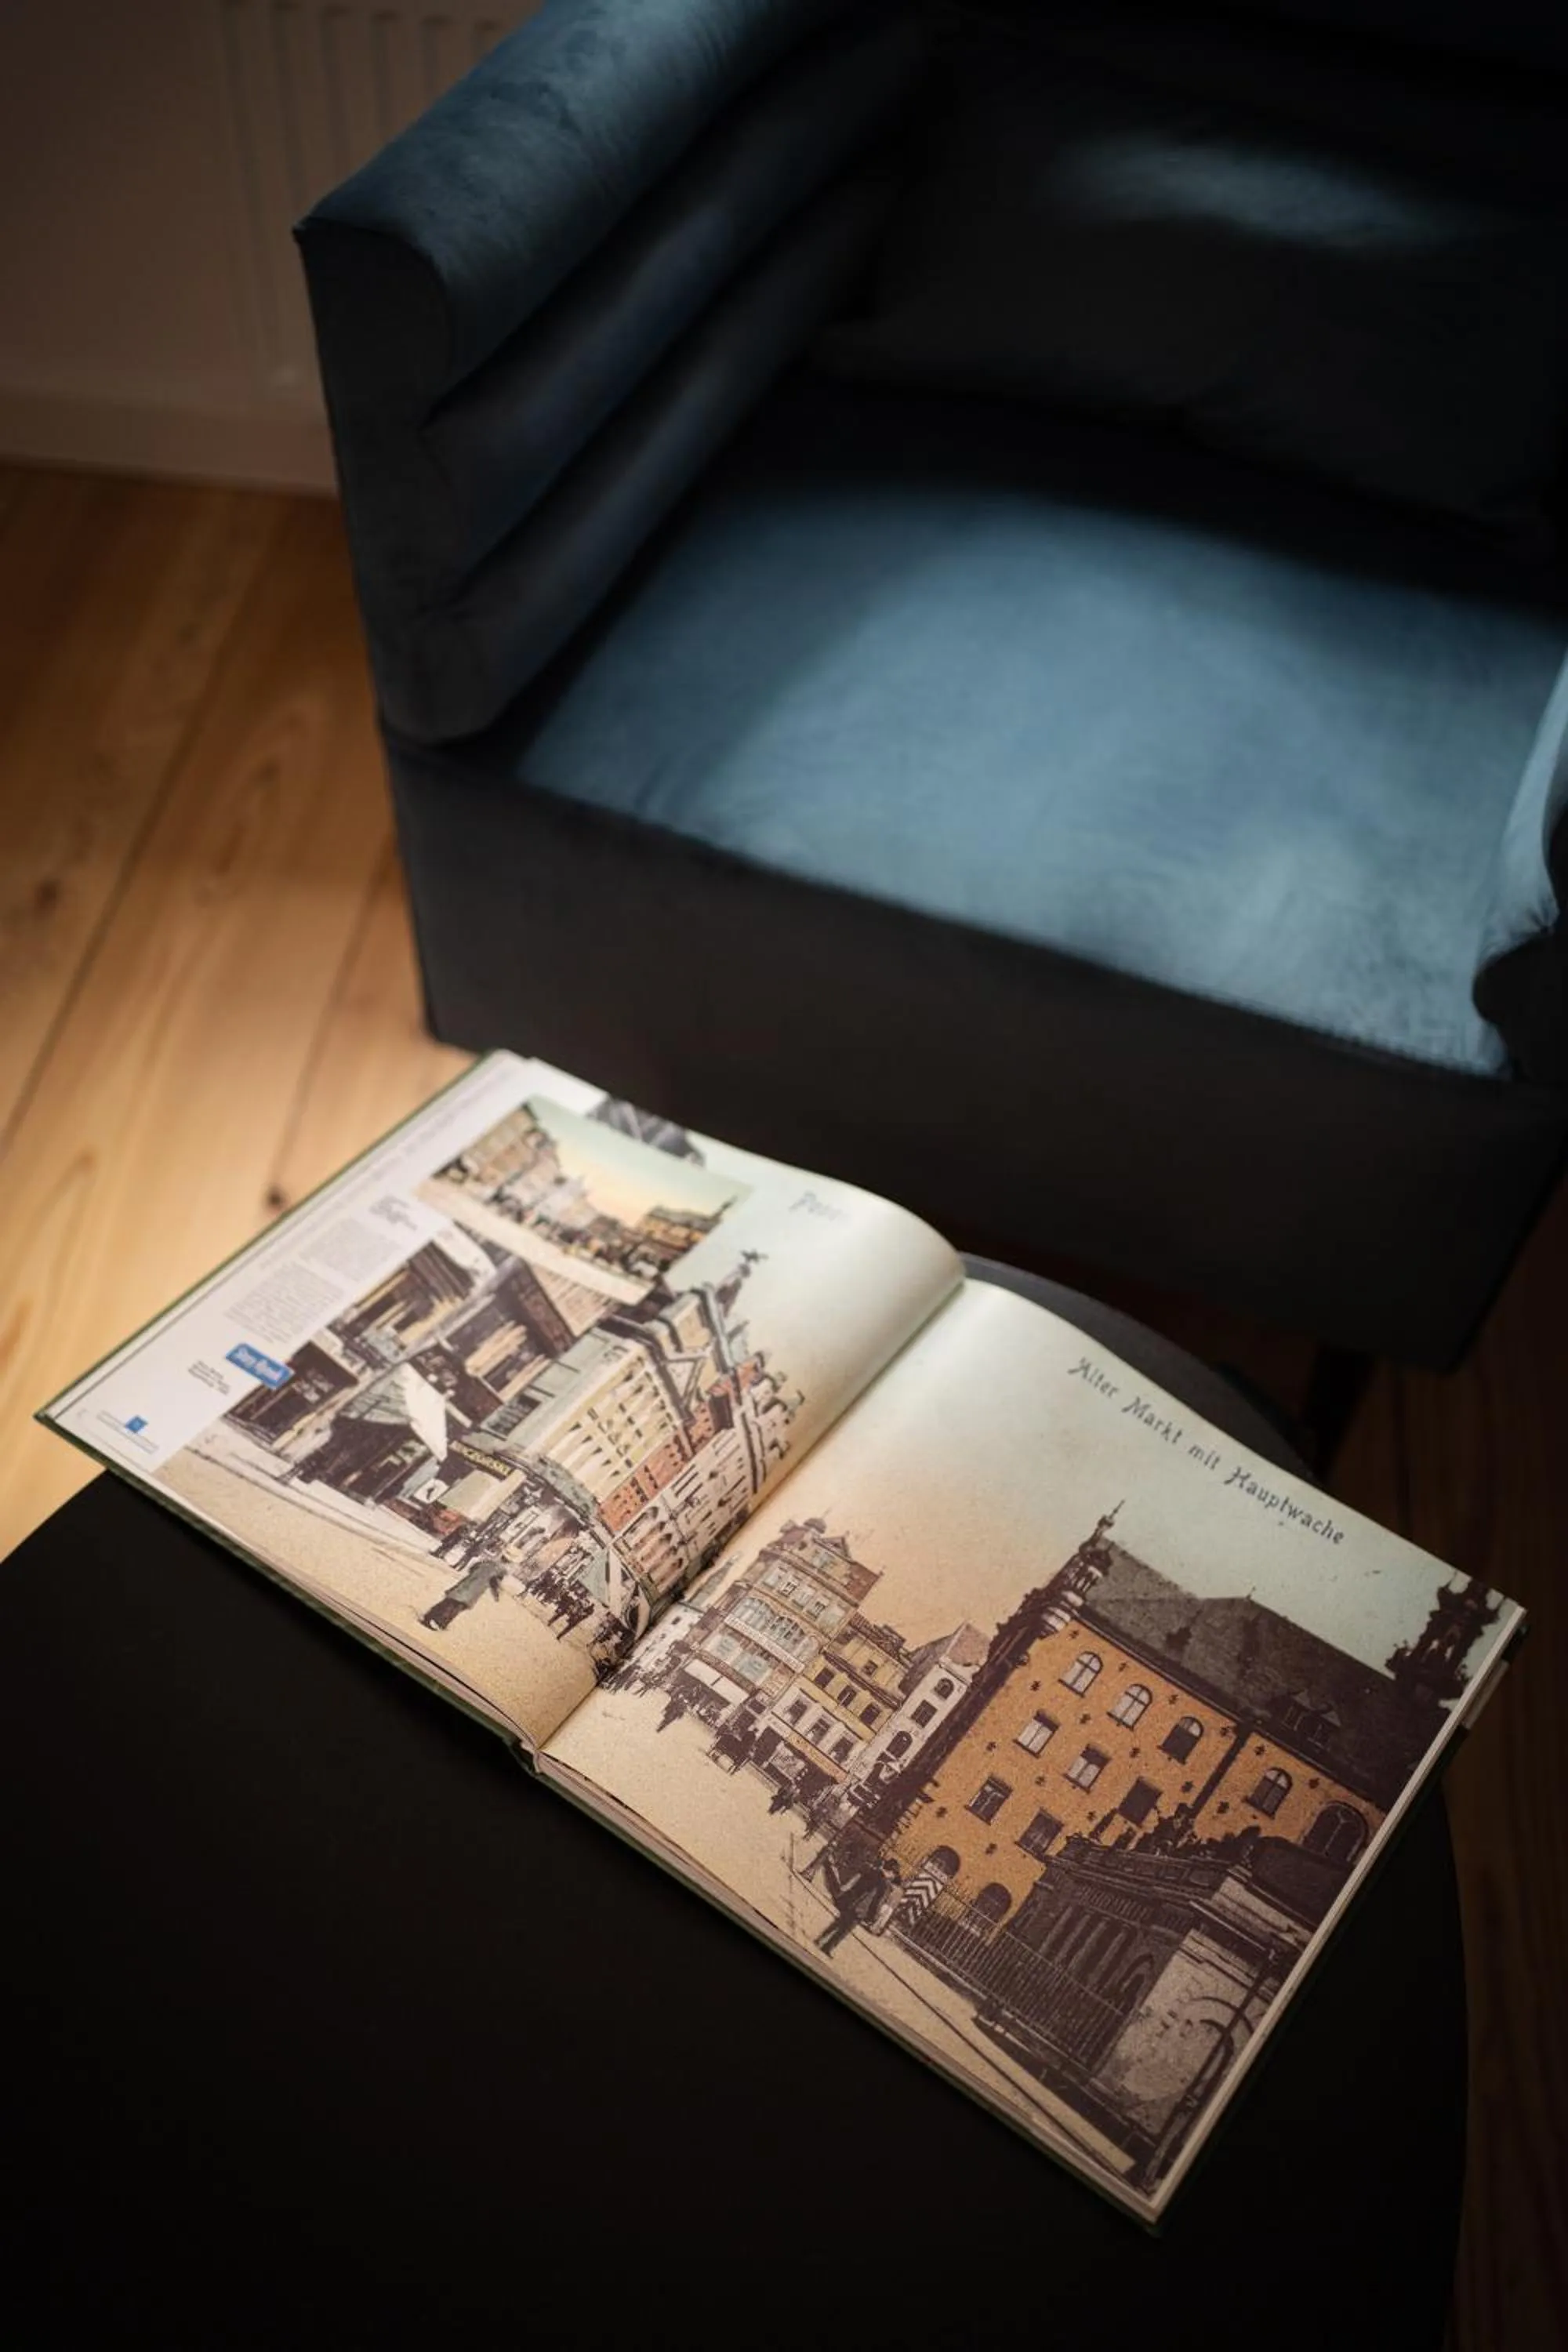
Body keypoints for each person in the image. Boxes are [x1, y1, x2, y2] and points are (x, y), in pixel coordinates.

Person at [814, 1856, 900, 1960]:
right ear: (891, 1872)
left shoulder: (871, 1871)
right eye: (894, 1874)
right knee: (844, 1930)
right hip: (862, 1909)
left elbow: (857, 1881)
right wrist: (873, 1917)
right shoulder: (885, 1884)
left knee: (839, 1922)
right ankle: (828, 1947)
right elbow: (877, 1902)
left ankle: (820, 1938)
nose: (893, 1877)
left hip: (851, 1901)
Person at [419, 1551, 506, 1634]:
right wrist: (497, 1595)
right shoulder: (501, 1571)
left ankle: (430, 1617)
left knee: (449, 1602)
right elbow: (495, 1584)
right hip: (475, 1590)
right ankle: (437, 1622)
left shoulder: (487, 1562)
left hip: (466, 1584)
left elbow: (471, 1569)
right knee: (455, 1607)